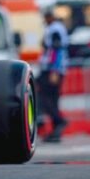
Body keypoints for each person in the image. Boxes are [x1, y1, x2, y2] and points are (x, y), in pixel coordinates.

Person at [38, 10, 69, 143]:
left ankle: (59, 121)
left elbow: (56, 49)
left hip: (52, 69)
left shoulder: (55, 29)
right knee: (53, 99)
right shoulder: (56, 28)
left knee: (45, 98)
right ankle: (55, 132)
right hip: (54, 68)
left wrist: (54, 70)